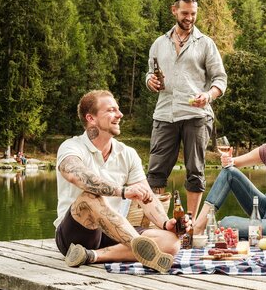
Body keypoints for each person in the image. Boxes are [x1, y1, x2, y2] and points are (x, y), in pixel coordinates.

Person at [55, 90, 181, 273]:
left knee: (172, 241)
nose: (120, 115)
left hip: (114, 231)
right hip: (76, 233)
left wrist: (165, 223)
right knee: (91, 196)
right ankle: (140, 247)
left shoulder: (127, 153)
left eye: (119, 109)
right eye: (112, 110)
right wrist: (122, 191)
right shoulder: (71, 147)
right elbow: (77, 175)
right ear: (91, 118)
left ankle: (91, 256)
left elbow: (147, 197)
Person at [145, 0, 228, 218]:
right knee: (156, 172)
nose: (189, 18)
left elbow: (220, 79)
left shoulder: (206, 44)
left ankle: (189, 226)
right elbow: (150, 73)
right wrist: (150, 80)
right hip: (164, 114)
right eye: (184, 13)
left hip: (196, 115)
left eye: (193, 14)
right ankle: (159, 222)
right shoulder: (159, 44)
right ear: (174, 11)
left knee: (195, 172)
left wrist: (209, 96)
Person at [193, 112, 266, 238]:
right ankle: (199, 226)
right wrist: (228, 160)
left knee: (227, 224)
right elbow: (234, 163)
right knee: (229, 171)